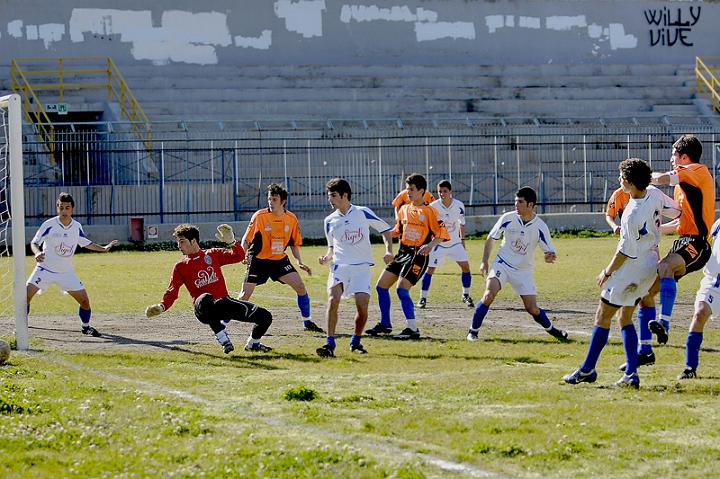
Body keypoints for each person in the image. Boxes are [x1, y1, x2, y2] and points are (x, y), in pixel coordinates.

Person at [564, 158, 678, 389]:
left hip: (631, 269)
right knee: (624, 317)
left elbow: (625, 251)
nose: (619, 180)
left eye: (621, 177)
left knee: (602, 316)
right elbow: (677, 210)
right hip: (650, 265)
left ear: (630, 182)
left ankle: (587, 370)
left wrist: (607, 272)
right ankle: (631, 374)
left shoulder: (631, 214)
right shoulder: (654, 193)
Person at [145, 223, 273, 354]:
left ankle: (253, 344)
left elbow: (238, 257)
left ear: (193, 241)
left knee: (265, 317)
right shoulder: (180, 266)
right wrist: (161, 306)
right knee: (206, 298)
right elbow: (172, 291)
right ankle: (223, 339)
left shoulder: (212, 254)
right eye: (178, 242)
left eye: (182, 242)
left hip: (224, 304)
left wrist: (232, 242)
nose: (179, 246)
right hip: (202, 309)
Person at [467, 187, 567, 342]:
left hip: (523, 271)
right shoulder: (508, 218)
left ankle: (553, 331)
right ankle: (473, 332)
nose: (516, 205)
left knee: (532, 308)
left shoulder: (540, 226)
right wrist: (484, 261)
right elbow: (491, 238)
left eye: (520, 202)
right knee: (488, 295)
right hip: (502, 264)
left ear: (530, 205)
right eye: (515, 201)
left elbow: (549, 251)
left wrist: (549, 256)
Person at [644, 135, 713, 347]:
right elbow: (679, 222)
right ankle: (645, 348)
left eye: (674, 155)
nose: (671, 158)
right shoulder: (682, 185)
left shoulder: (697, 171)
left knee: (665, 266)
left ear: (684, 156)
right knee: (646, 295)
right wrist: (651, 231)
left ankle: (664, 323)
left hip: (698, 244)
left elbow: (664, 177)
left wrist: (643, 177)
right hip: (682, 242)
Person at [365, 173, 450, 340]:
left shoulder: (430, 211)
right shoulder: (404, 209)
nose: (408, 192)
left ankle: (412, 328)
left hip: (418, 255)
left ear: (421, 191)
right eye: (406, 189)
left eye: (411, 189)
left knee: (401, 289)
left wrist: (430, 245)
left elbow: (442, 233)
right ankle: (385, 324)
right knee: (381, 287)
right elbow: (397, 231)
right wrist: (383, 234)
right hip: (402, 252)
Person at [315, 178, 394, 357]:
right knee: (333, 300)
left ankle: (356, 341)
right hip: (339, 266)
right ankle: (329, 343)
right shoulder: (329, 220)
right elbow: (332, 248)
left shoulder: (363, 212)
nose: (330, 199)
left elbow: (386, 230)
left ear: (345, 195)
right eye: (329, 196)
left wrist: (389, 250)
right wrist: (326, 257)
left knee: (362, 306)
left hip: (361, 268)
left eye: (333, 195)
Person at [26, 192, 118, 337]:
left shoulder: (76, 226)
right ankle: (22, 328)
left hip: (66, 272)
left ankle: (85, 327)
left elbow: (86, 243)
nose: (64, 211)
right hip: (44, 269)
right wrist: (37, 252)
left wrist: (103, 248)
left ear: (72, 209)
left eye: (67, 207)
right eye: (61, 207)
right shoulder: (49, 224)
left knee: (85, 301)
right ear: (57, 208)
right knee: (25, 296)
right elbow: (34, 242)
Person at [239, 183, 324, 333]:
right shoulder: (260, 216)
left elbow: (293, 243)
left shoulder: (291, 218)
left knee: (300, 286)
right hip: (258, 260)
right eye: (269, 199)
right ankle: (222, 323)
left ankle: (307, 322)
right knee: (245, 294)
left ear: (283, 201)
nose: (271, 202)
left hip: (279, 261)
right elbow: (247, 239)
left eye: (274, 199)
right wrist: (242, 253)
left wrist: (299, 262)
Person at [417, 180, 474, 309]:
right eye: (440, 192)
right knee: (430, 270)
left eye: (445, 191)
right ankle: (423, 298)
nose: (442, 194)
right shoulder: (433, 206)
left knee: (465, 267)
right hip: (439, 244)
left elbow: (462, 223)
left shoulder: (459, 205)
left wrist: (462, 240)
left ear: (450, 192)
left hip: (455, 243)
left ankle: (466, 295)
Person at [676, 217, 720, 380]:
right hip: (712, 282)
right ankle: (690, 367)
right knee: (699, 314)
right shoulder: (717, 224)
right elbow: (704, 248)